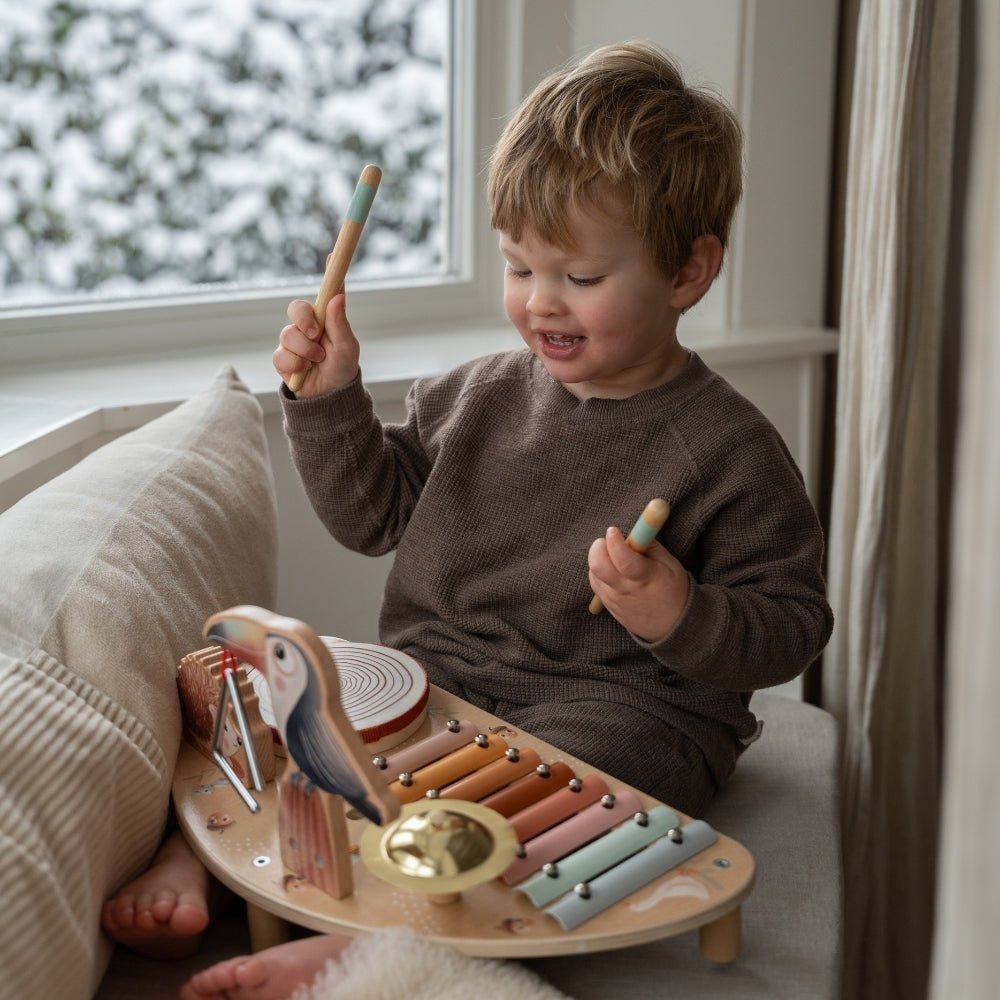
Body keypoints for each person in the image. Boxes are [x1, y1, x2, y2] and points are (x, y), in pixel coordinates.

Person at [103, 40, 833, 1000]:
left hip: (619, 709)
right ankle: (207, 866)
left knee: (553, 808)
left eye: (578, 276)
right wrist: (330, 399)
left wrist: (676, 610)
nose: (539, 302)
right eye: (519, 266)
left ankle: (390, 948)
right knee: (293, 712)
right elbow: (373, 517)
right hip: (440, 678)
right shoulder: (480, 394)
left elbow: (791, 626)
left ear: (689, 272)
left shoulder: (729, 449)